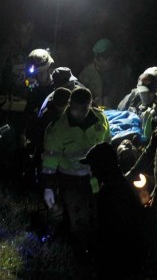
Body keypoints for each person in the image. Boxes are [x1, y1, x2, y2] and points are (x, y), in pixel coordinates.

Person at [40, 87, 111, 255]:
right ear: (69, 105)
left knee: (96, 214)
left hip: (94, 179)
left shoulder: (100, 119)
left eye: (83, 110)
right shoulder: (58, 129)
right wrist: (48, 187)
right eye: (75, 109)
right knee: (78, 219)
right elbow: (50, 160)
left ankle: (94, 249)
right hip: (71, 180)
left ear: (89, 105)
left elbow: (107, 143)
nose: (79, 114)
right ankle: (80, 253)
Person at [79, 142, 147, 280]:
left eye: (93, 166)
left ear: (102, 165)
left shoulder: (110, 193)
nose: (91, 171)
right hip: (129, 264)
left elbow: (112, 233)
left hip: (120, 264)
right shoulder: (120, 185)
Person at [78, 38, 132, 109]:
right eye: (97, 59)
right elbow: (78, 97)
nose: (98, 63)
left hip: (116, 113)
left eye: (102, 60)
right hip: (94, 113)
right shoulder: (87, 74)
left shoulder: (121, 73)